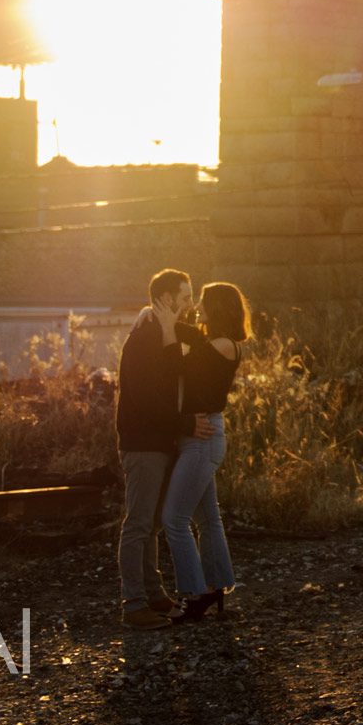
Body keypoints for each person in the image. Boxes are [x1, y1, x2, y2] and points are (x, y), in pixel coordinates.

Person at [114, 267, 206, 629]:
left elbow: (195, 339)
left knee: (151, 524)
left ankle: (153, 594)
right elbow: (147, 400)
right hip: (143, 444)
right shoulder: (142, 340)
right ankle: (133, 605)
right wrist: (185, 425)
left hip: (157, 442)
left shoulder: (159, 332)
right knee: (138, 524)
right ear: (167, 299)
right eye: (184, 298)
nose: (189, 305)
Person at [162, 280, 248, 622]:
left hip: (203, 435)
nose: (198, 307)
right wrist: (159, 318)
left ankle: (195, 594)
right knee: (207, 518)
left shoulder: (225, 345)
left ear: (218, 308)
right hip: (200, 435)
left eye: (203, 303)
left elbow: (175, 369)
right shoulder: (215, 342)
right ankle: (216, 586)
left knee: (174, 519)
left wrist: (169, 331)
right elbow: (194, 338)